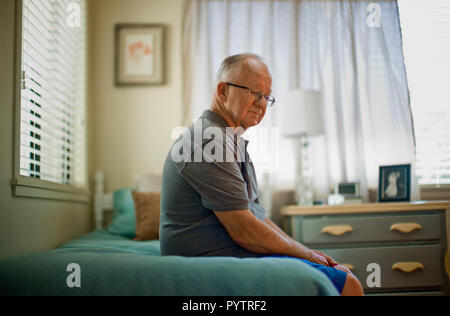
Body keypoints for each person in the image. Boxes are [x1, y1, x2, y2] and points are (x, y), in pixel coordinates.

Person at [160, 53, 363, 296]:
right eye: (255, 92)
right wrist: (310, 256)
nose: (262, 103)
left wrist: (310, 253)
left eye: (267, 97)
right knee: (348, 285)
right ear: (223, 91)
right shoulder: (208, 140)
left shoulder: (228, 139)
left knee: (344, 276)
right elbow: (245, 231)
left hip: (231, 253)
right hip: (210, 261)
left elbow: (257, 218)